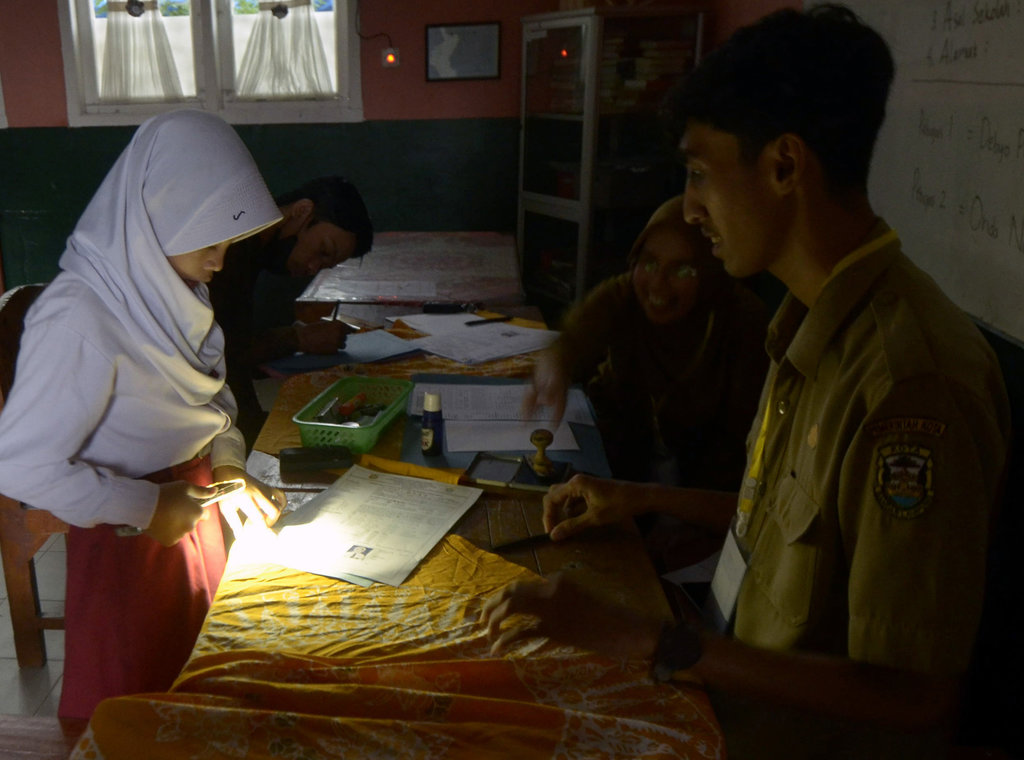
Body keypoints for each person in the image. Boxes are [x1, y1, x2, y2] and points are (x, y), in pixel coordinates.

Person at [480, 6, 1010, 758]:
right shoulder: (806, 326)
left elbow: (915, 695)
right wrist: (638, 499)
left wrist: (651, 639)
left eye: (699, 173)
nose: (691, 208)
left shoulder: (908, 382)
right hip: (721, 683)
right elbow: (796, 528)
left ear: (785, 167)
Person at [0, 109, 287, 719]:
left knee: (198, 683)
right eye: (211, 243)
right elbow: (19, 466)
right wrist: (147, 506)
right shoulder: (79, 318)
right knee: (133, 700)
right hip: (126, 536)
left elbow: (210, 402)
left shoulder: (173, 291)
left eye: (228, 244)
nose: (220, 262)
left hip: (193, 511)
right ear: (153, 220)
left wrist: (230, 464)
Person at [524, 194, 768, 492]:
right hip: (623, 468)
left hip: (702, 496)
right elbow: (577, 332)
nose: (658, 284)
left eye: (682, 270)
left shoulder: (744, 324)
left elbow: (736, 458)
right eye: (649, 263)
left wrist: (679, 520)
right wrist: (555, 364)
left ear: (709, 271)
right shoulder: (626, 293)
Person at [208, 176, 373, 447]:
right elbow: (220, 353)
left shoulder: (252, 250)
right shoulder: (228, 251)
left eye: (325, 264)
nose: (312, 268)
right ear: (302, 211)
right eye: (322, 251)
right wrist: (298, 339)